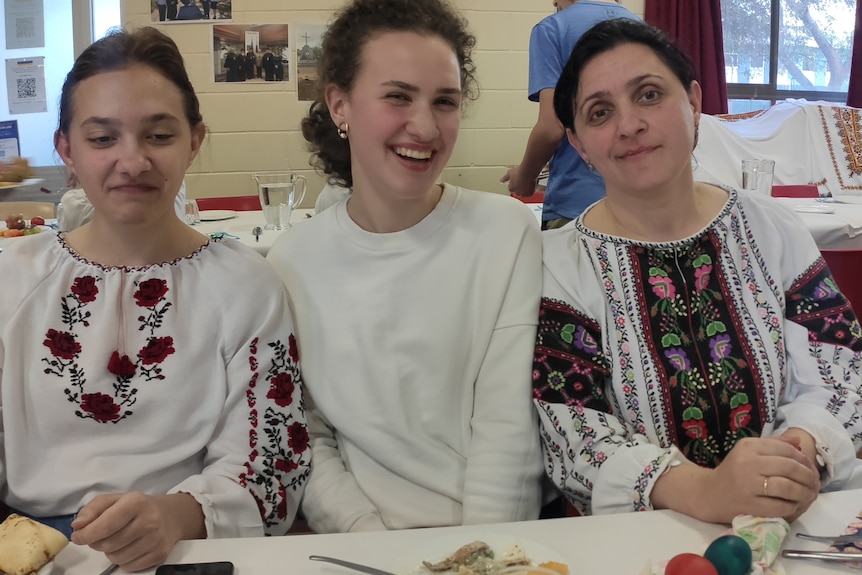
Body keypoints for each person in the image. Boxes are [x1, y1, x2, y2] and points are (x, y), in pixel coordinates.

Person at [0, 27, 309, 570]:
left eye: (159, 136)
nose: (133, 161)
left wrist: (177, 515)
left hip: (185, 548)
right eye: (103, 139)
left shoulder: (246, 284)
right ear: (67, 150)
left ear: (194, 141)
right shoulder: (12, 279)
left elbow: (269, 460)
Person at [533, 17, 862, 525]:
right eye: (600, 113)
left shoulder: (772, 228)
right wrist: (704, 491)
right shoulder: (558, 266)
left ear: (693, 103)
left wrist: (798, 453)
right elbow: (573, 435)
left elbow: (840, 364)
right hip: (643, 540)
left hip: (796, 519)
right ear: (579, 145)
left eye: (648, 95)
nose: (628, 125)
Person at [267, 0, 544, 533]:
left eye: (445, 101)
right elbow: (310, 435)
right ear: (341, 105)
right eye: (398, 96)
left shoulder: (506, 234)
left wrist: (480, 560)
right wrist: (367, 540)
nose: (425, 126)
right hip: (359, 547)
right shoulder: (292, 263)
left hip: (492, 545)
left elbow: (509, 430)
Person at [501, 0, 638, 230]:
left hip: (577, 208)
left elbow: (551, 127)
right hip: (641, 204)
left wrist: (524, 177)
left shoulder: (553, 29)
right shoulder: (643, 28)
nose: (554, 2)